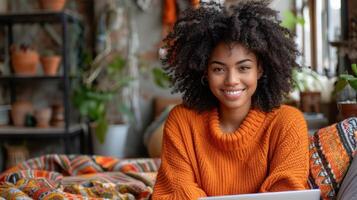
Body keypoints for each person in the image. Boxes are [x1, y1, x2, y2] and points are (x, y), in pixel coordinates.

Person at [152, 0, 309, 199]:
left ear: (259, 69)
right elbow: (177, 192)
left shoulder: (287, 122)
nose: (231, 80)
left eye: (243, 68)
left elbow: (288, 193)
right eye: (218, 69)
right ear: (205, 71)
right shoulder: (182, 122)